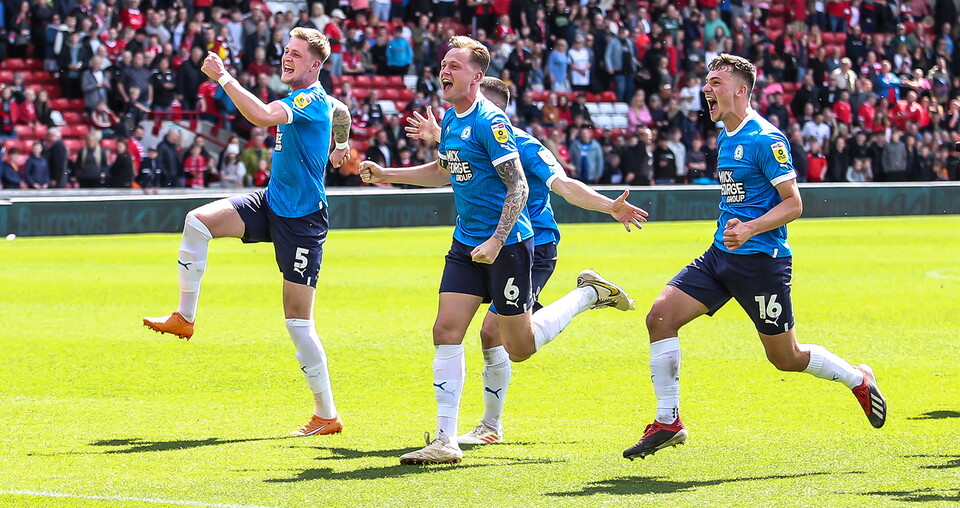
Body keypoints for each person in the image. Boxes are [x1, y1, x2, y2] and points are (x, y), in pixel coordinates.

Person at [358, 37, 638, 465]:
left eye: (454, 65)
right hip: (467, 243)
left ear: (478, 81)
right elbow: (444, 170)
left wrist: (607, 206)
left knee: (515, 345)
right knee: (446, 330)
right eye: (443, 64)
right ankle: (446, 439)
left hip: (515, 246)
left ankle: (587, 295)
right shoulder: (453, 120)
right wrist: (387, 174)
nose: (444, 72)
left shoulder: (501, 129)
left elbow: (545, 185)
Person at [623, 54, 887, 461]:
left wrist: (749, 228)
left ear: (741, 90)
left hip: (762, 262)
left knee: (786, 357)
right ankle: (668, 421)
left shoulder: (766, 138)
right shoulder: (726, 135)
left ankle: (857, 378)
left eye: (715, 83)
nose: (706, 90)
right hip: (720, 256)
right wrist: (735, 230)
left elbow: (794, 204)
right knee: (660, 316)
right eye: (706, 82)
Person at [142, 28, 353, 437]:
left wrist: (223, 77)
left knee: (298, 323)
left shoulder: (307, 99)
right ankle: (185, 317)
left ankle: (327, 415)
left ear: (315, 64)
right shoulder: (319, 100)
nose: (286, 58)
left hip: (303, 222)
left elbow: (260, 116)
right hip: (272, 202)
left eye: (296, 54)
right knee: (197, 221)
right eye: (286, 51)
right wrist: (340, 145)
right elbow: (341, 112)